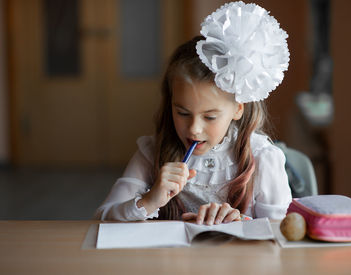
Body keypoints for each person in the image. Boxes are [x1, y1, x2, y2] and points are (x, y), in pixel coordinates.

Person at [95, 1, 292, 225]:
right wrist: (150, 200)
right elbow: (103, 216)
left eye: (210, 117)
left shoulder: (263, 158)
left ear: (238, 109)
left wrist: (242, 223)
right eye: (182, 112)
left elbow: (282, 233)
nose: (194, 129)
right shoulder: (151, 152)